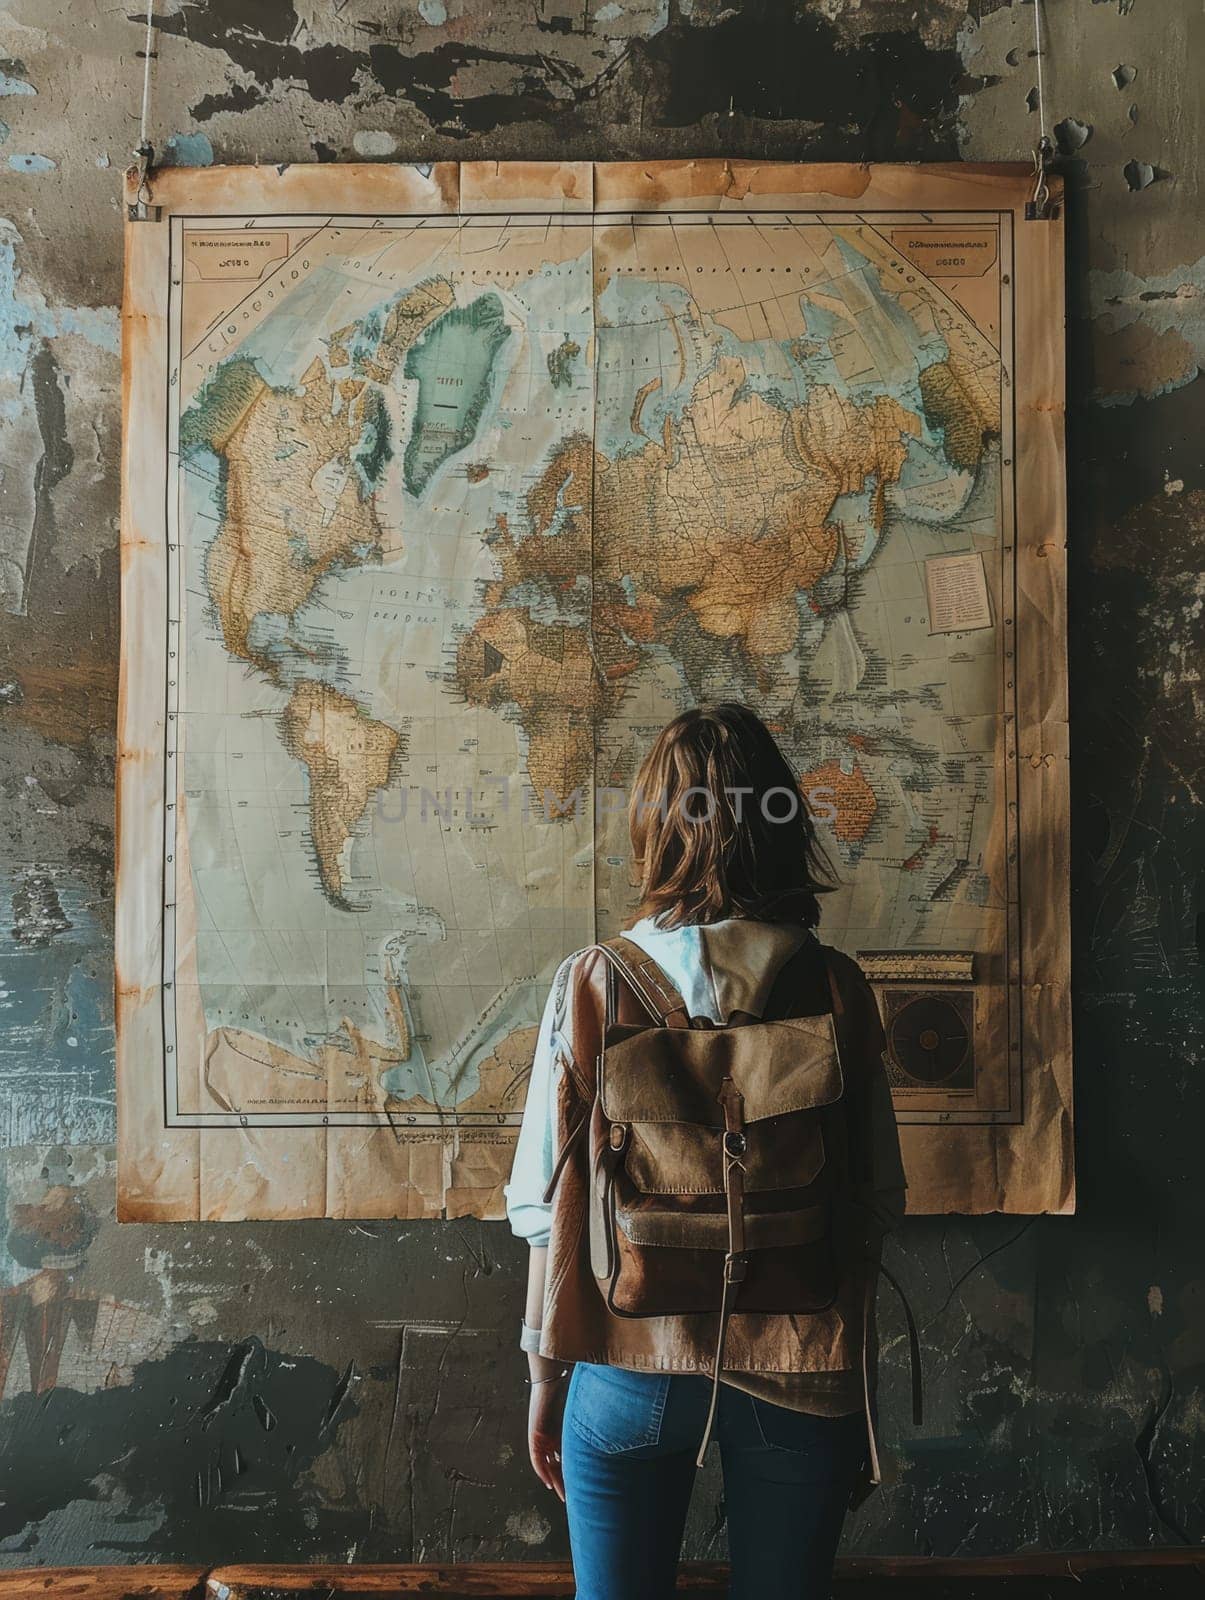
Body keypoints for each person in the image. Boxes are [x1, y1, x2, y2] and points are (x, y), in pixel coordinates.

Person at [504, 703, 907, 1600]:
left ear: (655, 827)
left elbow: (544, 1208)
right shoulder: (835, 985)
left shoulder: (593, 981)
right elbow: (877, 1205)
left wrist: (544, 1376)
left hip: (626, 1359)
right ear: (782, 824)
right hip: (802, 1365)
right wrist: (856, 1395)